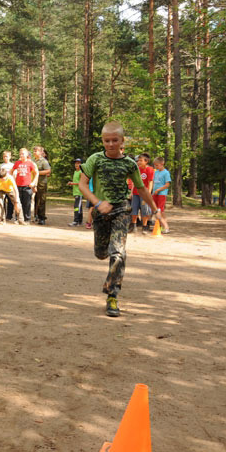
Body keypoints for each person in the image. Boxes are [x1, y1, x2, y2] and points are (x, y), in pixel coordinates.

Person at [78, 121, 158, 317]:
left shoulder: (130, 164)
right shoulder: (95, 160)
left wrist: (155, 209)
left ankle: (113, 295)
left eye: (115, 140)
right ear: (103, 141)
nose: (111, 144)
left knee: (118, 252)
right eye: (107, 141)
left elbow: (140, 188)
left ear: (122, 141)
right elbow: (82, 185)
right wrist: (97, 204)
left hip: (121, 209)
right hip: (100, 212)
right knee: (101, 253)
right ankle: (110, 277)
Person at [11, 148, 38, 223]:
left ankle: (27, 219)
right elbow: (11, 171)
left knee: (27, 203)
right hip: (18, 186)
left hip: (27, 186)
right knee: (18, 202)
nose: (21, 155)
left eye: (23, 153)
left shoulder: (30, 163)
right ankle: (17, 218)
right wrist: (12, 181)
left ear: (27, 155)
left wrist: (33, 183)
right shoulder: (17, 163)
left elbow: (36, 173)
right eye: (20, 154)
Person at [129, 153, 154, 233]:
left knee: (144, 210)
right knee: (134, 209)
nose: (139, 162)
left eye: (141, 160)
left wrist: (148, 193)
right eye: (138, 160)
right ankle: (133, 225)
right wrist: (131, 192)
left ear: (146, 161)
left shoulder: (149, 169)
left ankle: (145, 226)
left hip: (144, 193)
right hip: (136, 192)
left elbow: (150, 182)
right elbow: (134, 181)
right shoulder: (137, 169)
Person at [149, 157, 171, 233]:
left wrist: (159, 190)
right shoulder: (156, 172)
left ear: (162, 164)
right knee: (155, 210)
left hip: (162, 194)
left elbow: (167, 184)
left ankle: (166, 227)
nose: (155, 167)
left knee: (160, 211)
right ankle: (158, 226)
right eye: (154, 165)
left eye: (157, 165)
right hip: (155, 194)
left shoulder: (166, 173)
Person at [32, 146, 51, 225]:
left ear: (40, 152)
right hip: (34, 182)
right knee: (35, 200)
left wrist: (37, 172)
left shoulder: (44, 161)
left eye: (36, 151)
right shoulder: (33, 161)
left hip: (41, 183)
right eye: (34, 151)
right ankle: (35, 215)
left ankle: (42, 218)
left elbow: (48, 170)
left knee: (41, 200)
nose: (34, 152)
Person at [67, 158, 84, 226]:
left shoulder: (81, 172)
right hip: (75, 192)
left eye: (78, 163)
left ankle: (76, 221)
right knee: (79, 207)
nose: (77, 164)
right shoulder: (75, 172)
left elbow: (81, 182)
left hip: (79, 192)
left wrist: (72, 183)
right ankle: (80, 221)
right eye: (76, 163)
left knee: (76, 207)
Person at [0, 151, 14, 220]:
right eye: (4, 156)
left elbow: (14, 175)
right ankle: (3, 215)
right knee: (2, 201)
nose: (5, 158)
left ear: (10, 157)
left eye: (7, 156)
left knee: (10, 201)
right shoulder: (1, 165)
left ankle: (9, 215)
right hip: (2, 186)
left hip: (9, 185)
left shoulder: (12, 165)